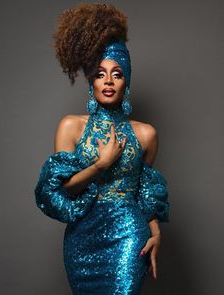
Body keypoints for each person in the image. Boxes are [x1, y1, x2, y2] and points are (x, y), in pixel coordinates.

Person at [34, 3, 170, 295]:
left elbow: (144, 192)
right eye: (100, 73)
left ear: (126, 82)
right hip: (81, 240)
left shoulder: (145, 134)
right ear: (90, 81)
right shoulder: (71, 127)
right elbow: (62, 191)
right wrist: (99, 165)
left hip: (128, 236)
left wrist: (156, 233)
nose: (108, 81)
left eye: (117, 74)